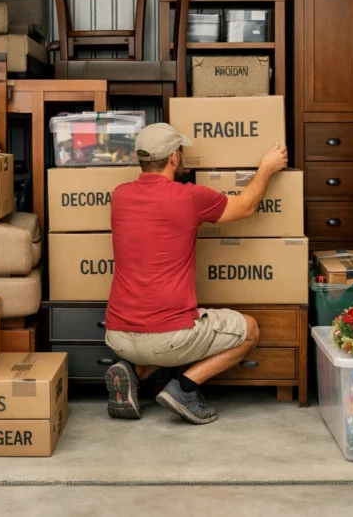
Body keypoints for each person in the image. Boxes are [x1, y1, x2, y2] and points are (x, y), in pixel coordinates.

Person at [102, 123, 288, 424]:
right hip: (167, 337)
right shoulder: (188, 197)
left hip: (117, 335)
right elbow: (246, 207)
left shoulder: (120, 195)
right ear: (174, 157)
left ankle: (132, 373)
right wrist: (266, 168)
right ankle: (184, 390)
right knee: (249, 330)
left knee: (171, 333)